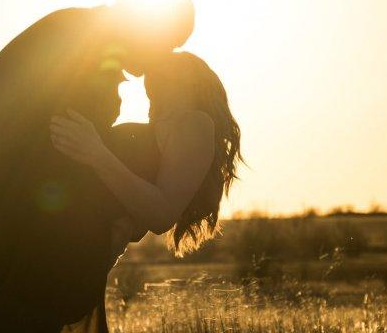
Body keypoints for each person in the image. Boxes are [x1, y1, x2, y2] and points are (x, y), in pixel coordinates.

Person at [0, 0, 195, 332]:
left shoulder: (88, 43)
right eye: (164, 44)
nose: (153, 65)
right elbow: (67, 159)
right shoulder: (79, 44)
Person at [50, 52, 243, 332]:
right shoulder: (162, 125)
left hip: (77, 255)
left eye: (165, 74)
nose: (152, 77)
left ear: (189, 82)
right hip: (68, 245)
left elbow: (161, 213)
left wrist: (95, 153)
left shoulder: (196, 122)